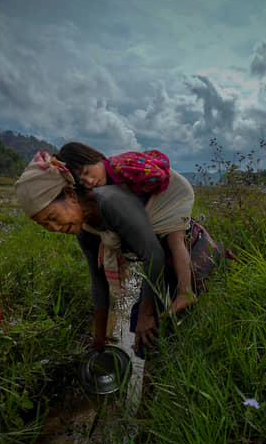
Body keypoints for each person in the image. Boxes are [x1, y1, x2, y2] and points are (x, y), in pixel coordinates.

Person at [14, 151, 197, 353]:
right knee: (143, 330)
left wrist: (146, 315)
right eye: (45, 224)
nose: (55, 227)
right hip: (149, 237)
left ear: (70, 195)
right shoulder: (86, 230)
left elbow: (154, 255)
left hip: (170, 200)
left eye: (54, 217)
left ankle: (185, 294)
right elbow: (98, 279)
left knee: (151, 326)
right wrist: (99, 337)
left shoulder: (111, 202)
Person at [58, 142, 196, 316]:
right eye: (83, 181)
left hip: (173, 193)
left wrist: (129, 192)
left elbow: (158, 176)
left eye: (87, 173)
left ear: (96, 157)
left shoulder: (120, 167)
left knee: (175, 240)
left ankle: (186, 292)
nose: (90, 181)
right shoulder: (106, 183)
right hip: (159, 197)